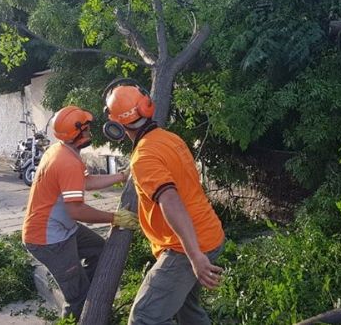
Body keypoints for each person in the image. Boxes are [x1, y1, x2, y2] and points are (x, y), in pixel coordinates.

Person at [102, 79, 225, 325]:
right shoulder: (170, 138)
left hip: (185, 248)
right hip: (207, 234)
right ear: (148, 107)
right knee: (187, 310)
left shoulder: (144, 156)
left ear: (115, 126)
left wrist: (194, 256)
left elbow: (171, 200)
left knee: (144, 318)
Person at [22, 105, 138, 321]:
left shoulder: (63, 151)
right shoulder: (66, 161)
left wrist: (121, 176)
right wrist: (113, 218)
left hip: (61, 229)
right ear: (77, 133)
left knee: (98, 249)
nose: (90, 132)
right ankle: (80, 308)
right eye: (86, 128)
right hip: (49, 240)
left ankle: (86, 290)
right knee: (77, 296)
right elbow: (76, 210)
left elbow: (84, 182)